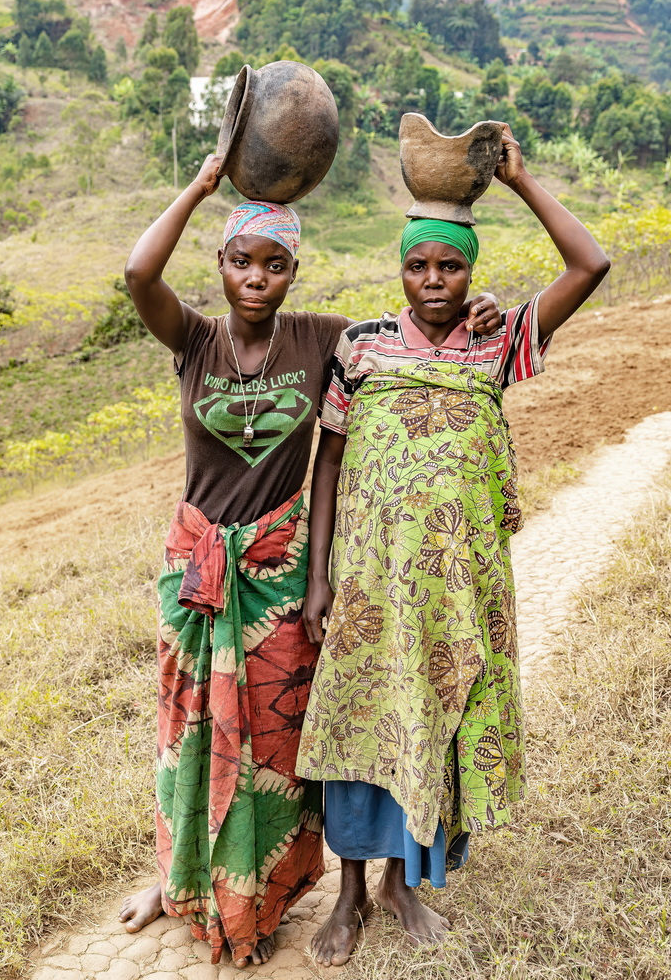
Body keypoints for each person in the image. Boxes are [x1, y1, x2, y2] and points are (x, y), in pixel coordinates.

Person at [117, 153, 501, 968]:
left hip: (281, 568)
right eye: (240, 261)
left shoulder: (325, 339)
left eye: (274, 263)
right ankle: (174, 875)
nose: (256, 279)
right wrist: (201, 186)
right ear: (219, 267)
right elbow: (136, 270)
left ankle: (292, 883)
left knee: (285, 744)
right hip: (197, 567)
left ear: (294, 273)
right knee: (187, 728)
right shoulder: (191, 339)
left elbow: (416, 323)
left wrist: (482, 311)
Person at [296, 124, 610, 968]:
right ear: (396, 270)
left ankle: (401, 883)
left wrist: (519, 182)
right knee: (359, 720)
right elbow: (328, 464)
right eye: (417, 265)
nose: (433, 281)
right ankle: (350, 890)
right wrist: (320, 576)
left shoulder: (494, 340)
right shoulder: (360, 346)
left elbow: (590, 266)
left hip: (457, 584)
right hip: (366, 582)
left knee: (431, 717)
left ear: (471, 270)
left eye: (450, 266)